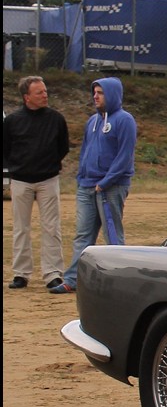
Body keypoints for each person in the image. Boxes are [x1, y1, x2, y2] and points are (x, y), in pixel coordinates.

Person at [55, 77, 137, 294]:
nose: (95, 96)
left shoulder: (124, 120)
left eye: (100, 92)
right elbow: (85, 151)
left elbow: (125, 156)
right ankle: (73, 280)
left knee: (112, 236)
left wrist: (106, 181)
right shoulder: (92, 122)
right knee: (83, 235)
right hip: (86, 185)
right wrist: (82, 176)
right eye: (94, 92)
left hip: (111, 186)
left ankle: (119, 281)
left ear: (112, 94)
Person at [4, 76, 72, 290]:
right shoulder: (12, 121)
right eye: (39, 93)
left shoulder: (56, 119)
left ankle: (53, 273)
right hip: (21, 181)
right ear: (27, 97)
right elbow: (5, 149)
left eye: (45, 91)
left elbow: (63, 147)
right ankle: (21, 273)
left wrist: (49, 164)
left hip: (48, 180)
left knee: (51, 227)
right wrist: (18, 166)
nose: (45, 95)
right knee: (20, 228)